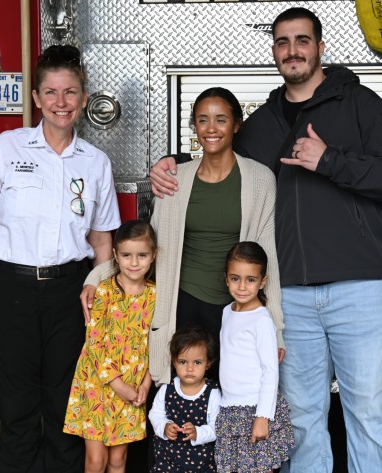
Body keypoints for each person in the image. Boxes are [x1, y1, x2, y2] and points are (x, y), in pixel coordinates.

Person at [150, 8, 382, 473]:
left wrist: (330, 159)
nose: (292, 50)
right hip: (289, 294)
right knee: (302, 420)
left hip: (360, 290)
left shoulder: (360, 104)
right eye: (283, 42)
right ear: (274, 50)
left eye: (302, 40)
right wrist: (171, 162)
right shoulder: (267, 120)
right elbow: (219, 153)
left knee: (371, 415)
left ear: (320, 46)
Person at [0, 44, 121, 472]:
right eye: (50, 92)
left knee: (64, 411)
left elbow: (103, 241)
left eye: (70, 92)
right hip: (9, 293)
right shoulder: (8, 147)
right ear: (36, 98)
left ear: (84, 97)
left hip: (72, 296)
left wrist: (102, 301)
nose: (60, 102)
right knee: (17, 415)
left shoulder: (96, 162)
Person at [83, 86, 284, 387]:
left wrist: (276, 327)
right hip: (183, 303)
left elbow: (267, 257)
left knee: (231, 393)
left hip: (234, 306)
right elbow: (150, 248)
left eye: (220, 119)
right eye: (202, 120)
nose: (211, 129)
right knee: (182, 397)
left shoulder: (260, 180)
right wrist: (96, 277)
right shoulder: (174, 180)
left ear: (236, 124)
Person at [64, 220, 157, 473]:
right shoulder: (103, 291)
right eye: (127, 255)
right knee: (96, 461)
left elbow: (156, 345)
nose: (134, 262)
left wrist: (145, 386)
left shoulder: (154, 296)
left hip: (133, 387)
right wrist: (118, 384)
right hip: (97, 384)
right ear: (115, 255)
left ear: (153, 255)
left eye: (142, 255)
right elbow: (94, 343)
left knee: (118, 461)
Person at [216, 241, 294, 472]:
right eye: (235, 278)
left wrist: (262, 416)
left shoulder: (261, 319)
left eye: (250, 280)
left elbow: (270, 371)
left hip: (254, 408)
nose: (242, 286)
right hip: (231, 409)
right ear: (226, 278)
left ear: (262, 282)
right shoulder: (226, 312)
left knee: (260, 468)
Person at [149, 326, 221, 472]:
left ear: (208, 364)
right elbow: (155, 414)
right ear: (174, 362)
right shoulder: (166, 389)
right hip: (167, 463)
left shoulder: (212, 393)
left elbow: (217, 428)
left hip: (200, 465)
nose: (189, 368)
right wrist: (164, 427)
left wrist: (198, 432)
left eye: (197, 362)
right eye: (183, 362)